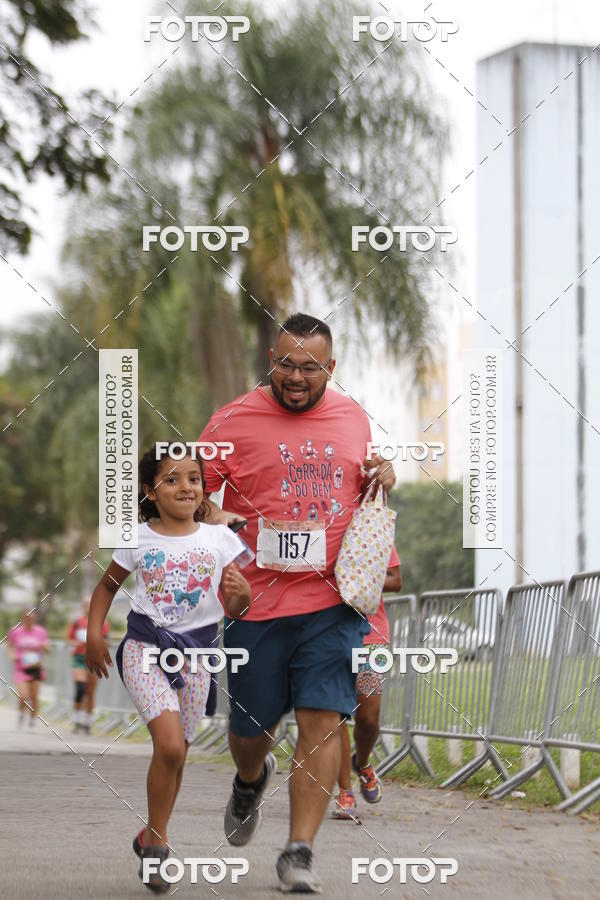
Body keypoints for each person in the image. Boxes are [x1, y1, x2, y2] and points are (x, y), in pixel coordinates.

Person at [196, 312, 396, 893]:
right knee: (250, 730)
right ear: (271, 361)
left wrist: (385, 472)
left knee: (323, 719)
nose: (296, 376)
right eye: (286, 363)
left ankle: (298, 852)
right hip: (255, 602)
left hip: (332, 602)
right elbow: (188, 490)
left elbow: (363, 487)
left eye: (310, 367)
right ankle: (249, 779)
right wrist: (223, 521)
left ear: (330, 368)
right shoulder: (231, 420)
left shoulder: (353, 418)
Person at [85, 444, 251, 894]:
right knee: (172, 747)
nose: (185, 487)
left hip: (198, 657)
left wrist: (240, 594)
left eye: (194, 478)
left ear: (203, 489)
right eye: (172, 479)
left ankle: (148, 834)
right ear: (149, 491)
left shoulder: (221, 540)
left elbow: (236, 606)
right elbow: (105, 587)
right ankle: (158, 846)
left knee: (175, 755)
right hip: (145, 650)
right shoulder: (138, 538)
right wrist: (94, 634)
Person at [332, 554, 402, 820]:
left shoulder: (373, 524)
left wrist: (354, 581)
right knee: (334, 713)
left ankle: (361, 762)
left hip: (370, 635)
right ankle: (345, 792)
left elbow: (396, 580)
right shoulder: (317, 521)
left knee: (369, 717)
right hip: (328, 632)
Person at [68, 598, 109, 734]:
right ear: (83, 606)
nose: (88, 607)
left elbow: (107, 640)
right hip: (79, 657)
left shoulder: (102, 623)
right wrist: (76, 644)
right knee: (80, 688)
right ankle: (77, 719)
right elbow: (69, 639)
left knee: (90, 692)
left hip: (94, 658)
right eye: (86, 605)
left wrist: (98, 643)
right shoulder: (76, 622)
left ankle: (87, 721)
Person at [7, 609, 50, 728]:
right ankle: (21, 713)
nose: (29, 620)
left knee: (34, 696)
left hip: (36, 668)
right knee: (23, 695)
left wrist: (44, 646)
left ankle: (32, 719)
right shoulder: (15, 631)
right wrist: (12, 655)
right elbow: (9, 647)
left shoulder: (40, 632)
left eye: (31, 619)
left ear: (34, 619)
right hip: (20, 668)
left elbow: (48, 649)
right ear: (23, 618)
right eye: (27, 618)